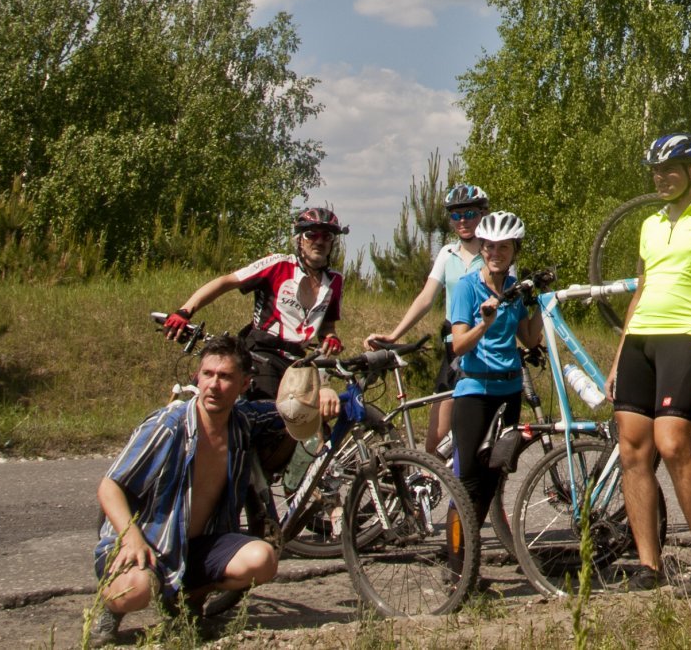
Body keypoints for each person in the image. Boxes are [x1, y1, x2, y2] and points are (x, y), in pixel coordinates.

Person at [88, 333, 339, 646]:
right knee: (136, 590)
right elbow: (109, 486)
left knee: (262, 559)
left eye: (225, 377)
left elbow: (287, 409)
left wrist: (323, 392)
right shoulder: (169, 426)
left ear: (244, 384)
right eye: (207, 374)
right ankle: (109, 611)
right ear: (198, 376)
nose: (213, 385)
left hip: (197, 546)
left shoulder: (243, 421)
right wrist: (131, 537)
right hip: (148, 541)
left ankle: (185, 603)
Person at [608, 132, 691, 590]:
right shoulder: (648, 225)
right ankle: (649, 565)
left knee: (672, 445)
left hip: (684, 336)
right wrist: (619, 356)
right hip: (640, 338)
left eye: (670, 170)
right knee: (632, 451)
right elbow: (640, 291)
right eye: (656, 171)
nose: (661, 178)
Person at [163, 207, 347, 400]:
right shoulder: (278, 265)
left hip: (298, 361)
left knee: (307, 415)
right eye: (311, 235)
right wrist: (185, 311)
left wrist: (330, 338)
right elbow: (226, 282)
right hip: (262, 353)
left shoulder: (335, 281)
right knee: (267, 409)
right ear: (299, 240)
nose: (319, 241)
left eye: (326, 236)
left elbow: (327, 325)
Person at [366, 183, 491, 453]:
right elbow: (425, 298)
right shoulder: (448, 254)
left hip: (486, 346)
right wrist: (394, 334)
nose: (462, 221)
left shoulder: (494, 255)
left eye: (469, 214)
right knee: (435, 437)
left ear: (483, 214)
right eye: (456, 215)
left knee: (481, 435)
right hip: (454, 347)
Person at [447, 210, 541, 527]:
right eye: (489, 246)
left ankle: (471, 543)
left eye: (503, 247)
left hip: (510, 391)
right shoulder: (467, 287)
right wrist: (484, 324)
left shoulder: (514, 289)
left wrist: (543, 304)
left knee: (493, 475)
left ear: (515, 251)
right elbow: (459, 345)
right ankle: (458, 555)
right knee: (468, 480)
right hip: (475, 391)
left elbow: (528, 338)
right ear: (482, 248)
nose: (495, 253)